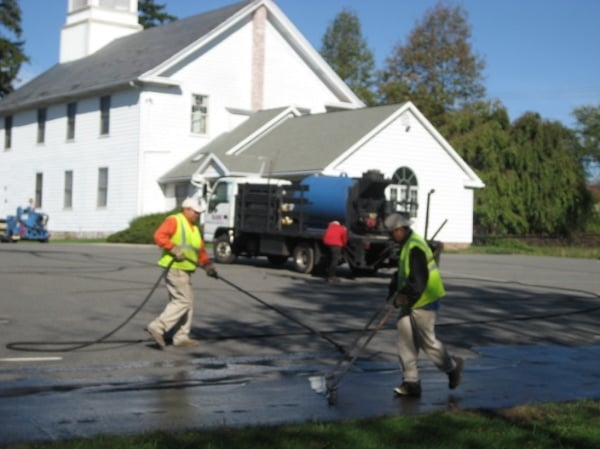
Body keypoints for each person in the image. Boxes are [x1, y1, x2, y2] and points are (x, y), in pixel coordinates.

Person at [384, 213, 463, 397]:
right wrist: (395, 283)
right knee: (405, 341)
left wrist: (402, 298)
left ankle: (452, 367)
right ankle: (411, 382)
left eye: (391, 233)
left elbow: (418, 282)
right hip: (411, 300)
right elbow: (407, 273)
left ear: (400, 230)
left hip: (425, 300)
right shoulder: (407, 245)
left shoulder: (415, 247)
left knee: (427, 342)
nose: (390, 237)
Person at [146, 197, 218, 349]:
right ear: (186, 209)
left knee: (188, 302)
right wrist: (173, 249)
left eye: (199, 213)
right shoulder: (175, 220)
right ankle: (158, 326)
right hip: (175, 268)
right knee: (183, 300)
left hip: (185, 270)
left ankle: (181, 337)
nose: (197, 215)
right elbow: (159, 236)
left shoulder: (194, 229)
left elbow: (200, 250)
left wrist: (207, 265)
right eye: (195, 212)